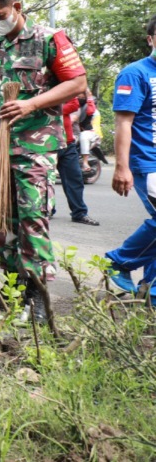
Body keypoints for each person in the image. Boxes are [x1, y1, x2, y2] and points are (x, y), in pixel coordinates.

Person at [0, 0, 86, 323]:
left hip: (33, 147)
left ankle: (40, 296)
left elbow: (76, 83)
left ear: (16, 6)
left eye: (0, 16)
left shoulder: (48, 38)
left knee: (32, 221)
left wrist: (32, 102)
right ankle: (16, 291)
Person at [104, 15, 156, 301]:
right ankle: (119, 261)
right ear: (150, 39)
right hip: (147, 161)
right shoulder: (134, 73)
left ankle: (151, 289)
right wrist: (121, 167)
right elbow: (123, 122)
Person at [53, 94, 100, 226]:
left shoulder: (65, 86)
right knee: (45, 180)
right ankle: (47, 211)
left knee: (75, 178)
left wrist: (48, 109)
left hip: (68, 143)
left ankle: (79, 213)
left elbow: (74, 104)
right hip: (47, 144)